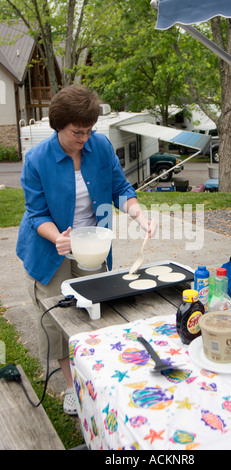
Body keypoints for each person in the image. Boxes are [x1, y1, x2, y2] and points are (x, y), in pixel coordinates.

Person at [16, 84, 156, 415]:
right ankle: (71, 387)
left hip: (92, 245)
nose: (84, 138)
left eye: (90, 130)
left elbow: (121, 187)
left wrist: (138, 214)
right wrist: (58, 239)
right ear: (57, 126)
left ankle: (94, 376)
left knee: (96, 309)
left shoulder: (101, 146)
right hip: (51, 248)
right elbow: (36, 214)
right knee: (59, 317)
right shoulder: (36, 160)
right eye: (77, 132)